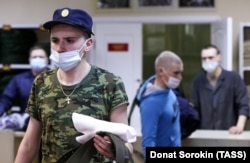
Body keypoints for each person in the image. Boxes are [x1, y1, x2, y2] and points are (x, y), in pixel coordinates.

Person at [14, 7, 132, 163]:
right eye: (55, 40)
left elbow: (127, 143)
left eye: (70, 40)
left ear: (88, 44)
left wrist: (114, 149)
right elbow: (29, 144)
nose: (60, 48)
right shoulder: (42, 83)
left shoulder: (110, 83)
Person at [190, 44, 250, 134]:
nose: (207, 61)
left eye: (210, 58)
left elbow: (243, 105)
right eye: (204, 58)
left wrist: (239, 126)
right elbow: (193, 108)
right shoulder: (197, 82)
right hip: (205, 134)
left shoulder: (233, 78)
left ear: (219, 57)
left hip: (229, 133)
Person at [136, 50, 183, 157]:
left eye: (181, 73)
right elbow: (148, 142)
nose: (180, 78)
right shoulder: (150, 104)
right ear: (161, 71)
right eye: (176, 73)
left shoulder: (169, 91)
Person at [0, 45, 49, 131]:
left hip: (51, 124)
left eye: (41, 57)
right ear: (29, 60)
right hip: (27, 124)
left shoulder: (56, 78)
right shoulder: (19, 80)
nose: (37, 59)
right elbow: (5, 100)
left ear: (47, 60)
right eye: (34, 57)